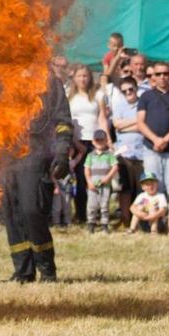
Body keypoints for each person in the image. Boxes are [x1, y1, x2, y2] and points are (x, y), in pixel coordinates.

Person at [0, 63, 74, 283]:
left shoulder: (49, 81)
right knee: (12, 212)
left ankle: (47, 269)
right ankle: (23, 271)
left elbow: (63, 120)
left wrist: (62, 151)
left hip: (35, 152)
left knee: (31, 209)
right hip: (6, 153)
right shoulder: (1, 79)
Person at [136, 60, 169, 191]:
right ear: (153, 76)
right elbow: (140, 123)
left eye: (165, 73)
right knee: (153, 187)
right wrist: (155, 140)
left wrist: (165, 140)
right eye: (158, 74)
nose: (162, 77)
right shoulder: (145, 96)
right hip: (150, 148)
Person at [66, 64, 107, 224]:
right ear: (74, 78)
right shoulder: (69, 96)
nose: (83, 79)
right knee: (80, 180)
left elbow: (102, 117)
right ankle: (80, 213)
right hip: (76, 142)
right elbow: (67, 121)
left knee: (96, 178)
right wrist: (75, 142)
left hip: (95, 141)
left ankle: (97, 213)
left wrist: (105, 140)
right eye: (79, 76)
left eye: (85, 76)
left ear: (90, 77)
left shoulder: (98, 95)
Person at [107, 77, 144, 226]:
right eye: (124, 91)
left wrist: (126, 126)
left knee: (142, 188)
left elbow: (144, 126)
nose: (128, 92)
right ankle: (125, 219)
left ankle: (141, 220)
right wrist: (138, 121)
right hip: (124, 153)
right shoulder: (119, 106)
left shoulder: (143, 104)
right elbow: (117, 124)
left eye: (130, 89)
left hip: (142, 152)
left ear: (136, 88)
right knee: (125, 188)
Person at [83, 129, 118, 233]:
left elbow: (115, 167)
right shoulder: (90, 155)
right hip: (92, 185)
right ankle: (91, 223)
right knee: (91, 205)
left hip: (105, 185)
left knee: (104, 205)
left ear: (106, 141)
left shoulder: (109, 155)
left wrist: (108, 178)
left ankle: (104, 224)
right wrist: (89, 182)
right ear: (93, 142)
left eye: (102, 140)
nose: (99, 142)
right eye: (97, 140)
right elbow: (87, 169)